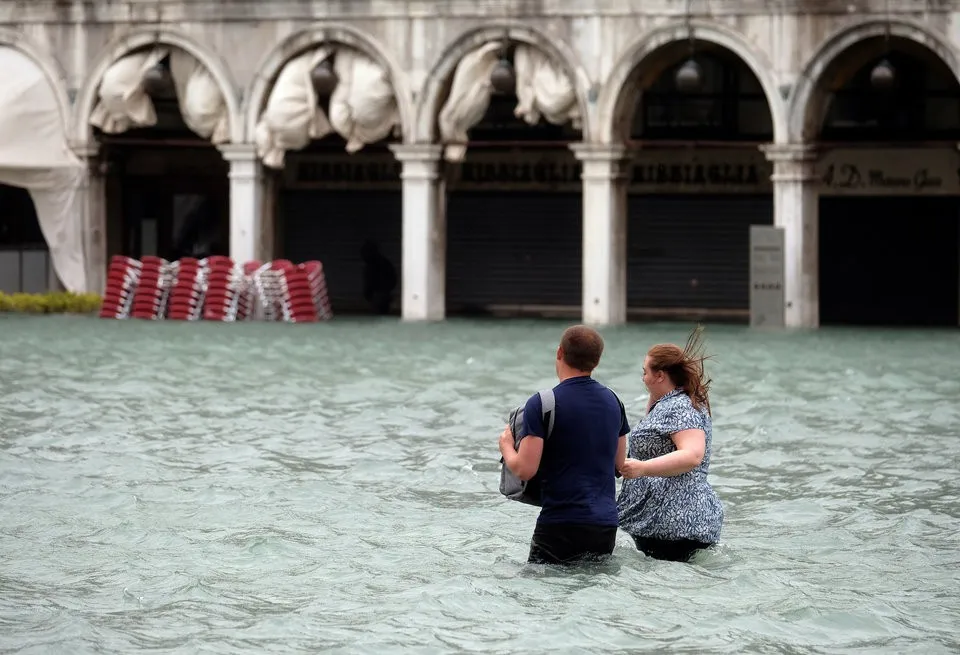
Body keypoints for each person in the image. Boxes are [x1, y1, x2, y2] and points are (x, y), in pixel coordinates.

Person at [498, 325, 630, 566]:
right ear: (597, 361)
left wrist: (506, 446)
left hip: (560, 523)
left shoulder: (542, 403)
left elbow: (525, 469)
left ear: (559, 352)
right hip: (605, 525)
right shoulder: (614, 401)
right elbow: (619, 465)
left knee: (542, 594)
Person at [616, 325, 724, 563]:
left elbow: (693, 455)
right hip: (668, 523)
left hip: (676, 524)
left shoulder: (679, 407)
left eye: (645, 372)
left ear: (660, 375)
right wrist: (653, 393)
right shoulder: (671, 402)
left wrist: (642, 468)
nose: (643, 377)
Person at [360, 239, 397, 315]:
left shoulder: (381, 264)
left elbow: (391, 279)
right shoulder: (371, 265)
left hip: (381, 292)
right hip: (377, 293)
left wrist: (383, 291)